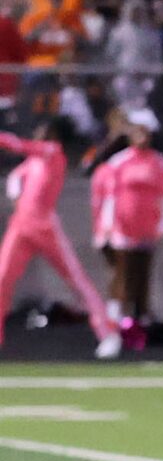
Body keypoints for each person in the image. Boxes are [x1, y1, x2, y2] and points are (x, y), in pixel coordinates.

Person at [0, 118, 121, 358]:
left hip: (45, 225)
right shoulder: (32, 162)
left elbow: (18, 145)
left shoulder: (53, 152)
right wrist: (15, 190)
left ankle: (107, 333)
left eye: (45, 129)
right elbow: (15, 179)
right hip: (20, 226)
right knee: (2, 278)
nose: (39, 132)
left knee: (76, 279)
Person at [88, 107, 163, 339]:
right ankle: (116, 316)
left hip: (146, 226)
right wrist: (106, 226)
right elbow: (110, 197)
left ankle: (141, 314)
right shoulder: (118, 162)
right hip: (122, 226)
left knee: (143, 271)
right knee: (122, 271)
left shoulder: (160, 162)